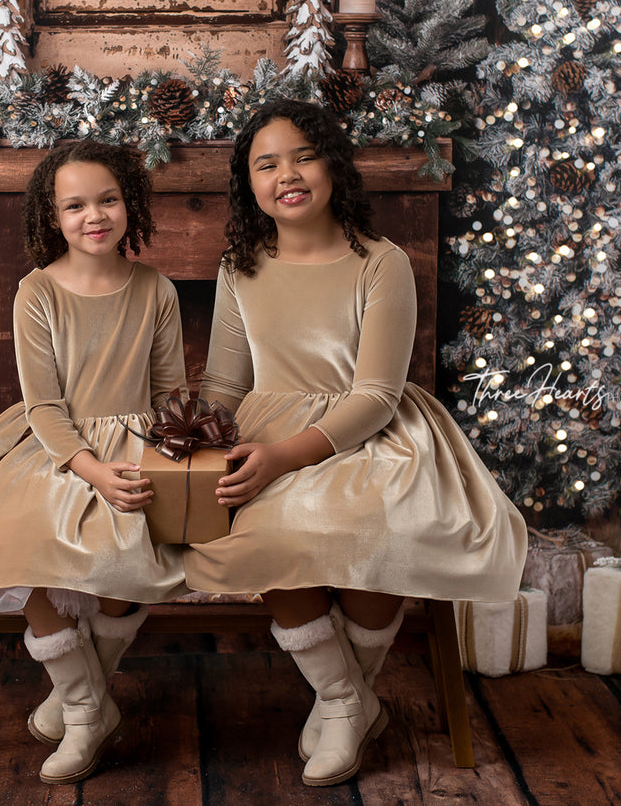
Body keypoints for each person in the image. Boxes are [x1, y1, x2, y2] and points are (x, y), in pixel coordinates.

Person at [182, 100, 526, 786]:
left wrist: (285, 455)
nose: (288, 173)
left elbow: (375, 395)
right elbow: (224, 379)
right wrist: (194, 435)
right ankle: (350, 698)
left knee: (377, 528)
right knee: (257, 533)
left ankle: (341, 700)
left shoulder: (380, 262)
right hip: (266, 429)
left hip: (370, 432)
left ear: (332, 167)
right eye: (266, 163)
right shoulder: (239, 267)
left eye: (303, 156)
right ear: (248, 184)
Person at [0, 140, 188, 784]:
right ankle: (88, 709)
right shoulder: (36, 291)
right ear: (52, 217)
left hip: (138, 440)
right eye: (76, 205)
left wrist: (170, 448)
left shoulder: (156, 289)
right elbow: (44, 403)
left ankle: (76, 691)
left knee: (129, 554)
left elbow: (170, 388)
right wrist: (89, 468)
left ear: (131, 205)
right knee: (16, 533)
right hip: (54, 443)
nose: (95, 216)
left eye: (109, 199)